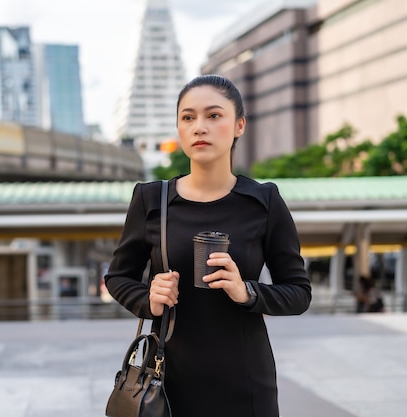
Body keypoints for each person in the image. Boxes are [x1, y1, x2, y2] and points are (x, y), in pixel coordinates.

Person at [104, 74, 312, 417]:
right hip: (167, 382)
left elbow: (299, 292)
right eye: (188, 117)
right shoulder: (151, 198)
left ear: (239, 125)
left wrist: (247, 292)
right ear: (179, 128)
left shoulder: (264, 201)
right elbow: (118, 277)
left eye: (214, 116)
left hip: (246, 383)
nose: (199, 127)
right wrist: (149, 299)